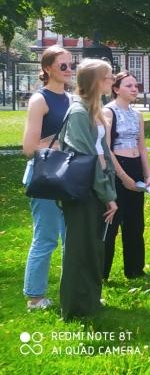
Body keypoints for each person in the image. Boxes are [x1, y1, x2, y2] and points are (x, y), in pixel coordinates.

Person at [58, 59, 118, 320]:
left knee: (93, 246)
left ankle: (90, 301)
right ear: (96, 81)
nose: (112, 81)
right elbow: (86, 159)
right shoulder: (79, 113)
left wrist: (108, 190)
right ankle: (75, 308)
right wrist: (108, 195)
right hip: (83, 191)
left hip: (95, 188)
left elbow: (102, 153)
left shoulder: (93, 110)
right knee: (79, 248)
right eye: (108, 77)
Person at [21, 46, 72, 310]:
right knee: (46, 237)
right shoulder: (40, 100)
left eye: (71, 65)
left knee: (71, 238)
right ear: (48, 68)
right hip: (45, 176)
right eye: (63, 65)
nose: (68, 70)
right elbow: (29, 148)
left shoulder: (72, 99)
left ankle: (71, 292)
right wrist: (61, 145)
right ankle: (35, 296)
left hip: (68, 176)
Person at [101, 72, 150, 280]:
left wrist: (147, 173)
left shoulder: (137, 114)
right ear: (116, 89)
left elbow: (142, 146)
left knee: (135, 222)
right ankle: (102, 272)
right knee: (112, 223)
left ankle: (135, 269)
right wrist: (123, 176)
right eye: (128, 86)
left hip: (135, 166)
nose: (134, 89)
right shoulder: (108, 111)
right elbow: (106, 148)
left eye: (135, 86)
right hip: (117, 168)